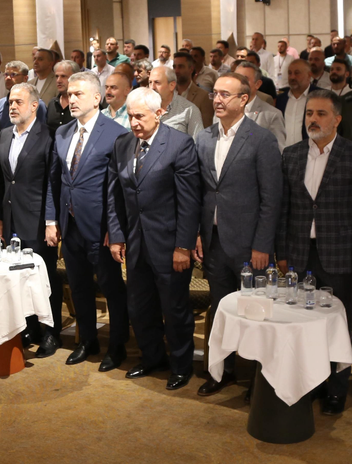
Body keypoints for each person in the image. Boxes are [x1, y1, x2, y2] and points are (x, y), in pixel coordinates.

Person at [271, 88, 352, 413]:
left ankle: (336, 390)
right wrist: (282, 252)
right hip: (299, 253)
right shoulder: (292, 155)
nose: (313, 119)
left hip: (338, 255)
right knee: (303, 323)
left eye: (321, 114)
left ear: (337, 119)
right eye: (310, 113)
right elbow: (284, 208)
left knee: (336, 326)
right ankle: (310, 384)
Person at [195, 73, 283, 397]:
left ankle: (259, 381)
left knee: (255, 313)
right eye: (215, 94)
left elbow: (271, 199)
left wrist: (263, 245)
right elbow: (200, 193)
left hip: (249, 245)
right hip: (214, 241)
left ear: (244, 99)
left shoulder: (261, 139)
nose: (217, 100)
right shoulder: (204, 138)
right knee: (221, 312)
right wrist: (198, 234)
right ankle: (222, 371)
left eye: (225, 94)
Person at [107, 87, 201, 390]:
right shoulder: (122, 143)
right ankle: (152, 358)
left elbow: (189, 202)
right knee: (140, 307)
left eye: (140, 116)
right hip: (135, 244)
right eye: (131, 116)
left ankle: (181, 366)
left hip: (170, 245)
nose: (134, 123)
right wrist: (117, 235)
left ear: (159, 114)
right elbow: (115, 196)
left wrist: (183, 246)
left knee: (174, 310)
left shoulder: (179, 144)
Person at [53, 71, 130, 371]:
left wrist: (115, 229)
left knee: (111, 288)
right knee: (79, 286)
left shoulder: (116, 133)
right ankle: (87, 340)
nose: (71, 99)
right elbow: (57, 181)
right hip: (70, 224)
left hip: (101, 227)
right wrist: (52, 220)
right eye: (69, 94)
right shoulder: (62, 133)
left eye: (78, 94)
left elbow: (119, 189)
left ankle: (117, 346)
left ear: (97, 98)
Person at [0, 82, 63, 354]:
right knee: (19, 278)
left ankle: (52, 332)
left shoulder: (48, 136)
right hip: (11, 220)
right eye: (10, 102)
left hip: (38, 221)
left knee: (44, 279)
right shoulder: (4, 135)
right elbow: (2, 181)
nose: (12, 106)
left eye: (18, 102)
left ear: (34, 106)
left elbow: (52, 184)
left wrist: (50, 222)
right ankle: (30, 327)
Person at [231, 61, 285, 146]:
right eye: (236, 78)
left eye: (244, 79)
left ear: (257, 84)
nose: (239, 83)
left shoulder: (272, 115)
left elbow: (278, 149)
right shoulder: (223, 110)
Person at [149, 65, 203, 136]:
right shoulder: (143, 107)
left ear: (172, 85)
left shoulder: (189, 111)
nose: (152, 87)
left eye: (157, 82)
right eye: (150, 82)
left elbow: (197, 140)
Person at [0, 61, 46, 130]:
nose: (8, 78)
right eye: (6, 74)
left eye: (13, 74)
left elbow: (42, 131)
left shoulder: (37, 104)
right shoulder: (0, 104)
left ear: (25, 78)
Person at [276, 59, 313, 147]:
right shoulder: (281, 99)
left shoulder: (319, 96)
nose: (292, 77)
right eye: (290, 73)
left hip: (311, 151)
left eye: (297, 73)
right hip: (284, 151)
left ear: (309, 75)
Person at [172, 51, 213, 125]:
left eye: (181, 67)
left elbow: (207, 126)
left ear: (191, 69)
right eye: (174, 67)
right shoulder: (168, 93)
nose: (176, 71)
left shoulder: (203, 96)